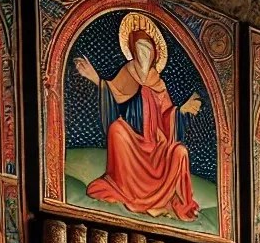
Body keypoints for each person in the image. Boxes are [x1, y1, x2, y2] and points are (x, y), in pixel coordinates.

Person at [75, 14, 200, 221]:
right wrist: (94, 77)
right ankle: (128, 191)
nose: (143, 53)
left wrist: (182, 109)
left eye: (148, 49)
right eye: (140, 48)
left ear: (155, 53)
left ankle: (171, 201)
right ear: (132, 49)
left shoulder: (158, 81)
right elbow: (114, 92)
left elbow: (167, 113)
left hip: (157, 145)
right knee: (116, 130)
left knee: (180, 151)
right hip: (134, 140)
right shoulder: (128, 71)